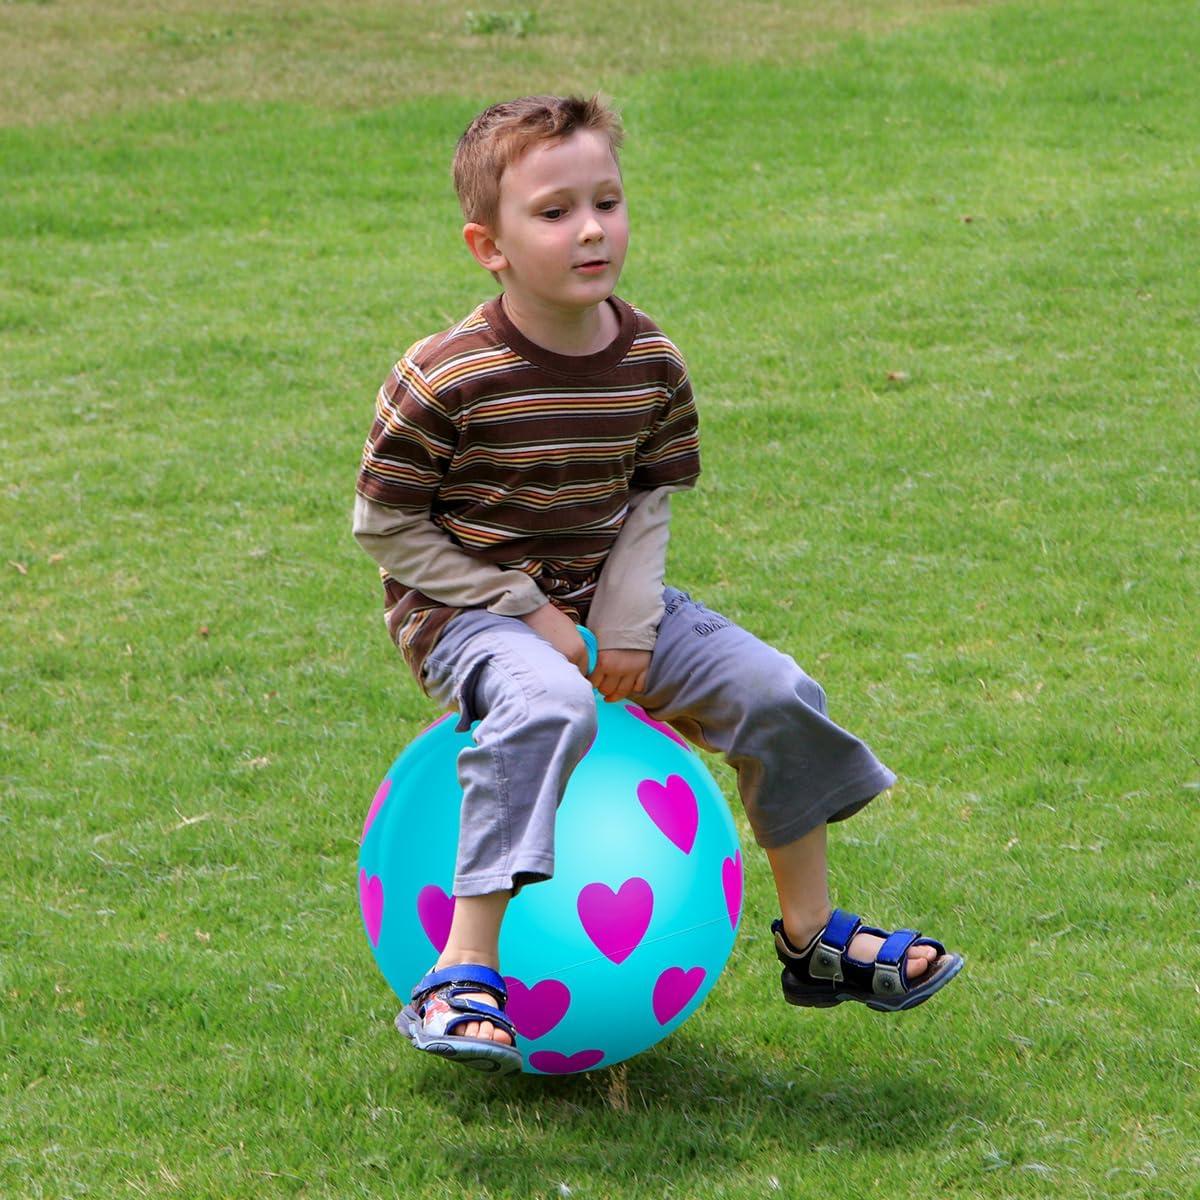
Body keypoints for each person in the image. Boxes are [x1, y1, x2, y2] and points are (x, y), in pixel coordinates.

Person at [353, 94, 962, 1074]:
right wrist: (534, 614)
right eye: (554, 212)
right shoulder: (445, 377)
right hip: (467, 608)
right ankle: (460, 970)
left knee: (770, 687)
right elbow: (384, 527)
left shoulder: (650, 363)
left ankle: (813, 939)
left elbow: (646, 503)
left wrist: (625, 628)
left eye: (608, 200)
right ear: (489, 244)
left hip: (609, 596)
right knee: (549, 703)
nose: (591, 229)